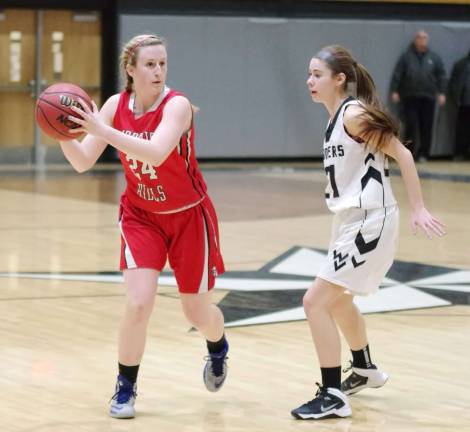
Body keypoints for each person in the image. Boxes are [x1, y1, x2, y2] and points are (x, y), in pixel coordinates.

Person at [58, 34, 229, 419]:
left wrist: (100, 130)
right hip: (141, 216)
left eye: (163, 63)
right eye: (150, 64)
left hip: (188, 216)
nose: (158, 71)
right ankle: (125, 387)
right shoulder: (116, 104)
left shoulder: (178, 105)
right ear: (131, 70)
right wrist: (62, 134)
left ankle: (217, 346)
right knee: (138, 304)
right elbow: (83, 160)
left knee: (197, 314)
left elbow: (154, 150)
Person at [291, 45, 445, 421]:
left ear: (339, 79)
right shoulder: (334, 118)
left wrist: (419, 207)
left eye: (317, 75)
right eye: (309, 74)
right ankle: (363, 368)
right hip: (348, 220)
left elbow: (403, 154)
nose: (310, 81)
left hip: (370, 221)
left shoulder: (354, 114)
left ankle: (332, 395)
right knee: (338, 300)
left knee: (315, 303)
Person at [390, 30, 447, 162]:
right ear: (415, 40)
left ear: (427, 40)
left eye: (424, 38)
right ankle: (409, 153)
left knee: (426, 126)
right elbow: (398, 74)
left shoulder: (434, 57)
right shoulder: (406, 57)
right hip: (410, 96)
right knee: (411, 125)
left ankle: (424, 154)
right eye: (419, 38)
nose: (421, 40)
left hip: (428, 97)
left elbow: (441, 76)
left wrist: (442, 92)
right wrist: (394, 90)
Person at [449, 49, 470, 161]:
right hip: (464, 102)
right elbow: (453, 83)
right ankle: (459, 153)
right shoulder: (461, 64)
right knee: (462, 129)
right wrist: (456, 97)